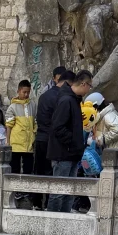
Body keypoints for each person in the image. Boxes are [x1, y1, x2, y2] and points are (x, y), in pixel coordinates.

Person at [47, 70, 93, 212]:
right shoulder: (66, 100)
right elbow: (58, 127)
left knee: (69, 192)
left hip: (72, 154)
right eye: (90, 86)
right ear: (84, 84)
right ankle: (54, 224)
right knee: (59, 192)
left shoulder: (73, 99)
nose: (89, 89)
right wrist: (73, 142)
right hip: (63, 154)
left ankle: (65, 223)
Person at [34, 66, 70, 181]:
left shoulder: (44, 95)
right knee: (52, 176)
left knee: (39, 173)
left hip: (40, 138)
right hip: (52, 141)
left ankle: (36, 198)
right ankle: (49, 199)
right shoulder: (63, 97)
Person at [6, 80, 36, 201]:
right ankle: (16, 190)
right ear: (18, 91)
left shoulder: (33, 105)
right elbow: (9, 126)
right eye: (24, 92)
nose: (26, 94)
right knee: (15, 168)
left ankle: (26, 190)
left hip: (29, 143)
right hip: (16, 143)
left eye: (28, 92)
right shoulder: (12, 107)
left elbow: (35, 121)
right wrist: (7, 142)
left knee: (28, 168)